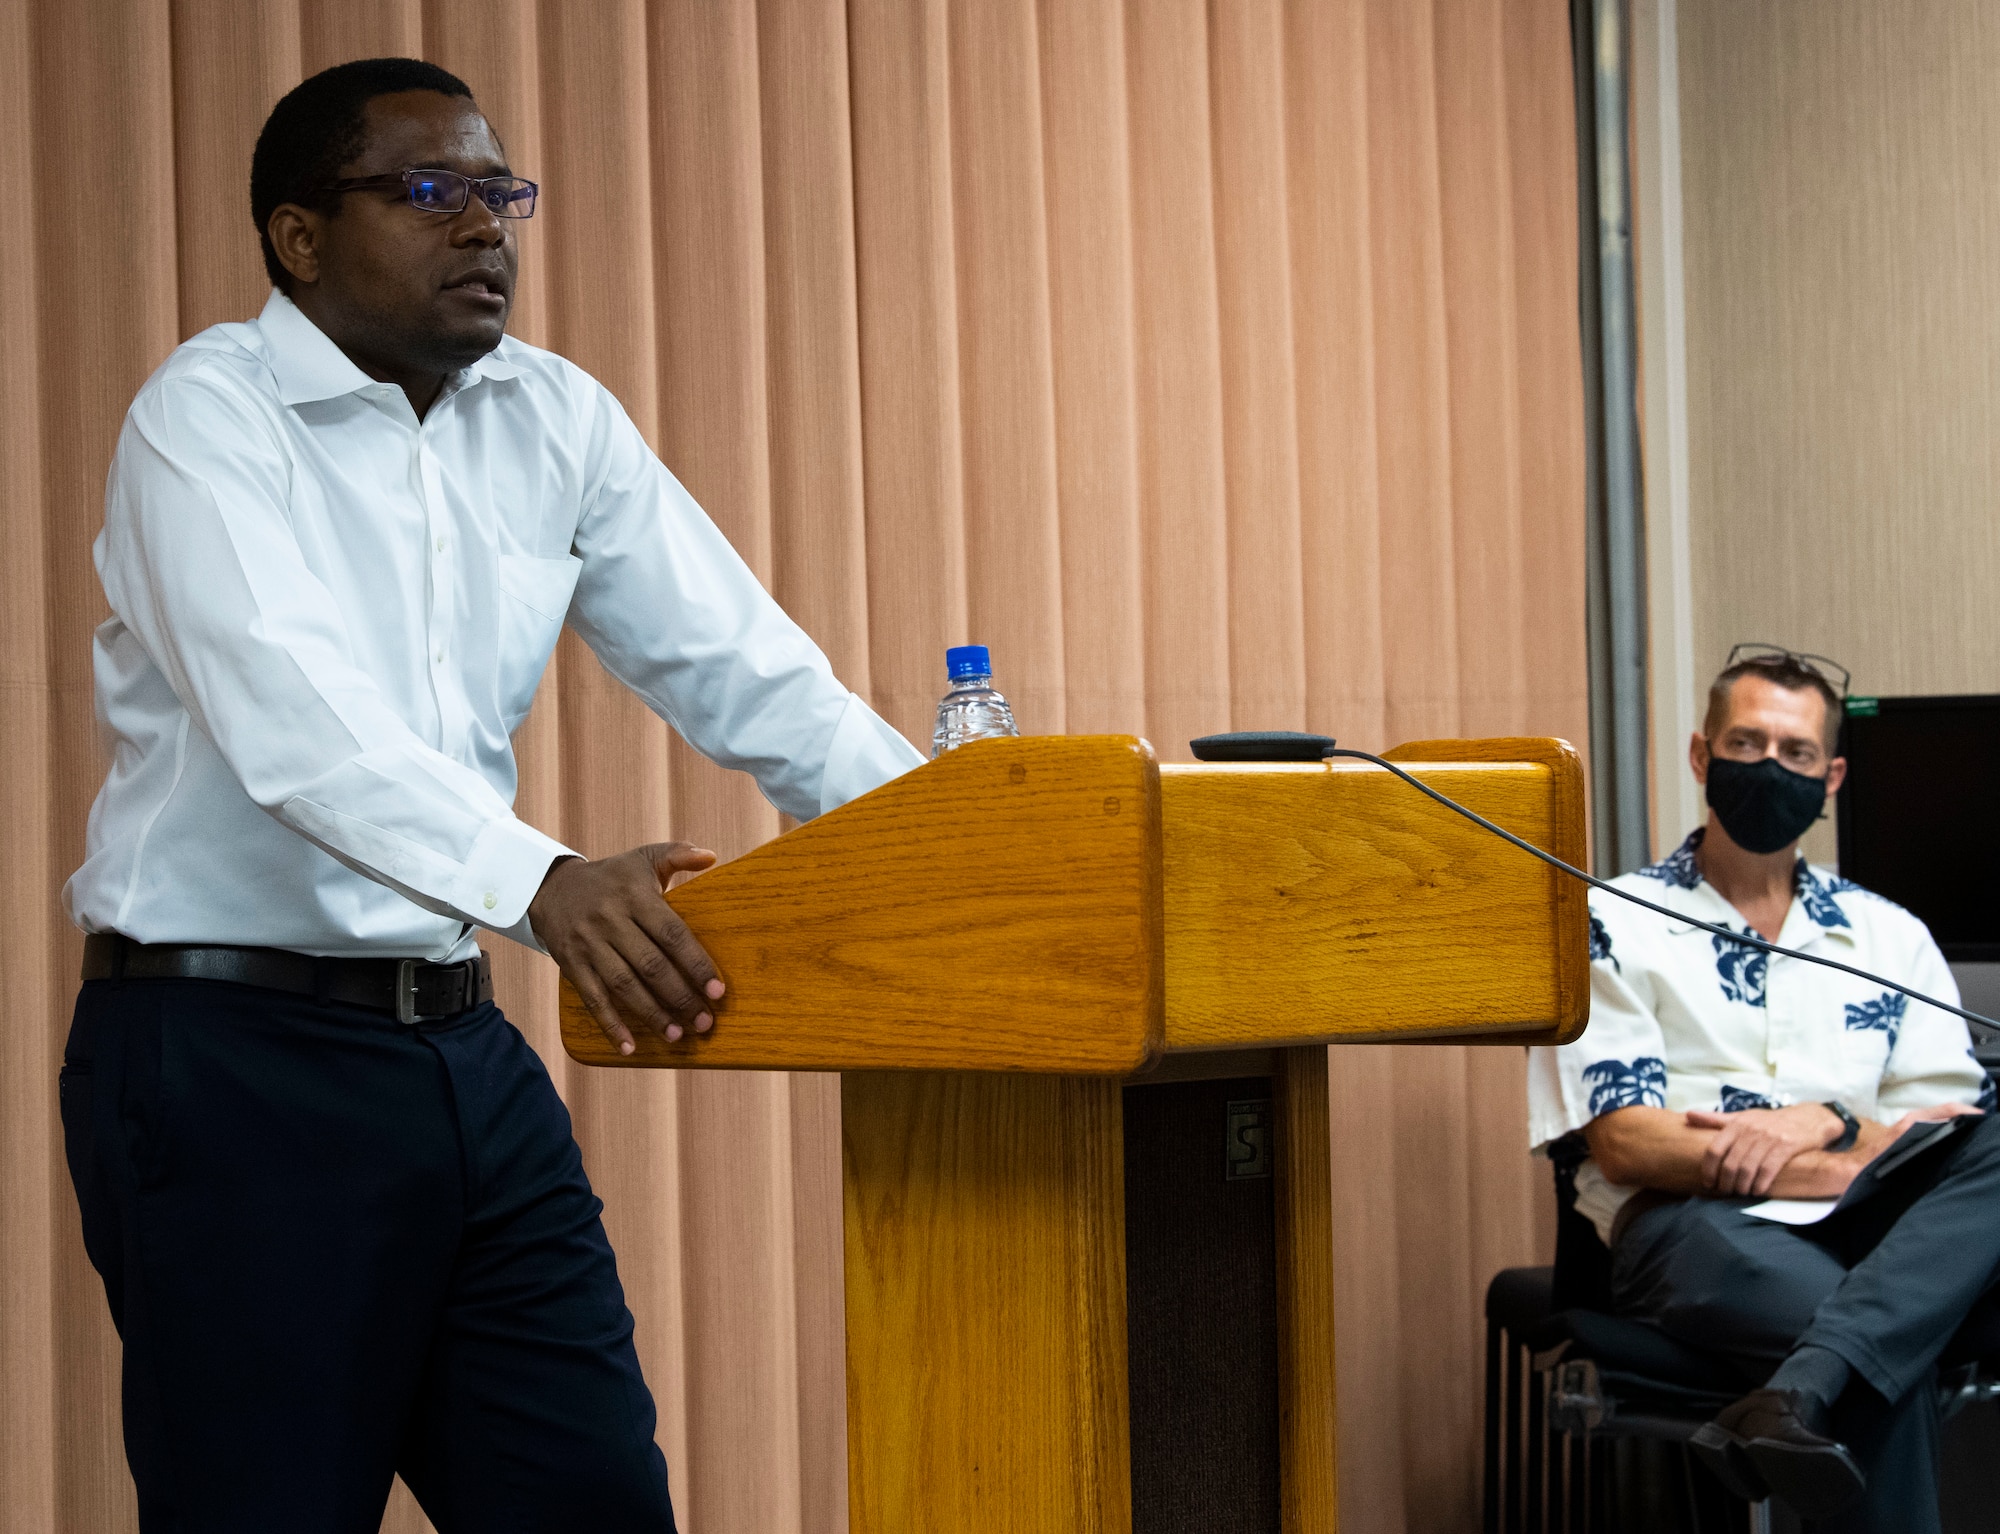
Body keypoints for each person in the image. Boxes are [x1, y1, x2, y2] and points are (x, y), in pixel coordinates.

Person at [58, 57, 924, 1532]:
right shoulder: (205, 421)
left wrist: (961, 844)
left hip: (461, 1057)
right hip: (230, 1067)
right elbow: (300, 731)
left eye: (498, 192)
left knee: (593, 1501)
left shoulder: (553, 418)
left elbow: (757, 678)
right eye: (428, 191)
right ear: (300, 237)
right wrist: (547, 881)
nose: (486, 229)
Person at [1528, 647, 2000, 1531]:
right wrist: (1837, 1160)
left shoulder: (1889, 936)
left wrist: (1820, 1117)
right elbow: (1628, 1141)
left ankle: (1799, 1389)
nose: (1770, 769)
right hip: (1690, 1229)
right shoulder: (1612, 922)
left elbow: (1952, 1123)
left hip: (1876, 1228)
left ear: (1832, 777)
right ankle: (1822, 1373)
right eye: (1748, 745)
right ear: (1703, 756)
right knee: (1873, 1348)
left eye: (1796, 753)